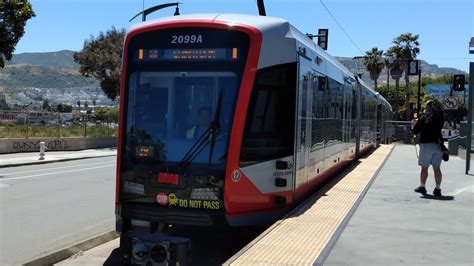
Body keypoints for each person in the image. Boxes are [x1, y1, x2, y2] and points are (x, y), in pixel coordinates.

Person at [412, 100, 445, 196]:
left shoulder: (424, 118)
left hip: (426, 145)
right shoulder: (440, 118)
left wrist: (416, 122)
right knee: (437, 168)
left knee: (424, 168)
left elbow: (415, 131)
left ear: (428, 107)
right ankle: (437, 189)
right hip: (438, 145)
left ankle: (422, 187)